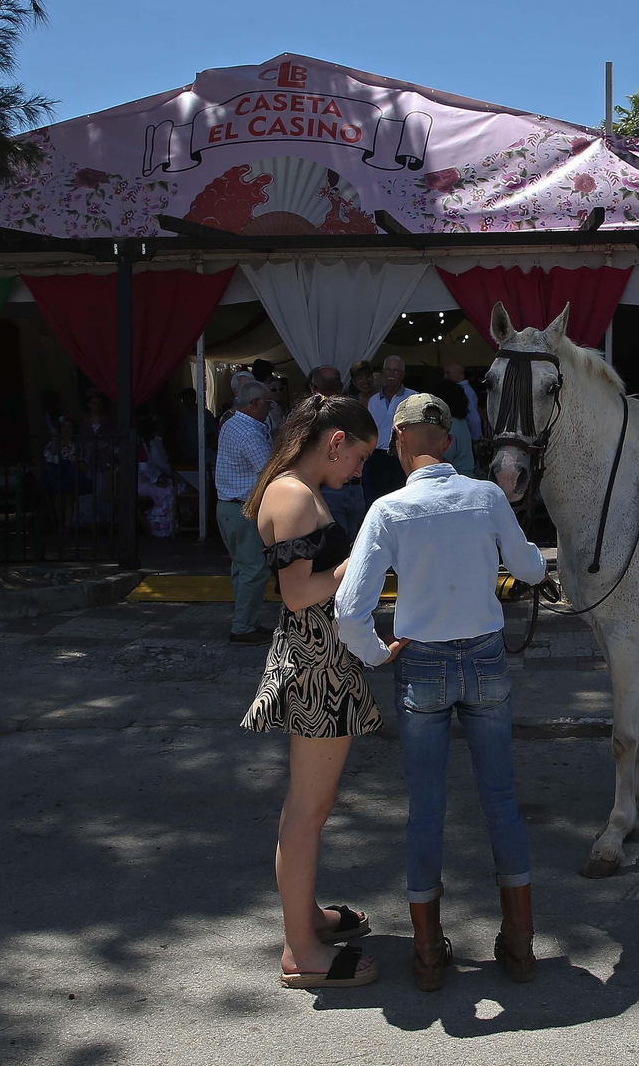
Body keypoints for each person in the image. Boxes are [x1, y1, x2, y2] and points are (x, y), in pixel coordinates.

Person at [336, 393, 547, 992]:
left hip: (421, 661)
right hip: (483, 654)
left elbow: (352, 609)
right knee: (500, 800)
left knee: (426, 808)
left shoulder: (387, 509)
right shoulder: (485, 496)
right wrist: (532, 563)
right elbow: (529, 570)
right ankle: (520, 945)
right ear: (448, 442)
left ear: (399, 439)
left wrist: (378, 654)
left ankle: (428, 954)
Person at [240, 394, 389, 991]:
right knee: (307, 813)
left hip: (318, 659)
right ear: (335, 441)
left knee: (308, 810)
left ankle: (307, 921)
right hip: (316, 664)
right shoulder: (295, 495)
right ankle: (301, 950)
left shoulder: (289, 487)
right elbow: (300, 593)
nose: (359, 469)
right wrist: (358, 562)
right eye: (359, 456)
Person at [215, 380, 276, 645]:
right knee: (255, 569)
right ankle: (243, 627)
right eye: (268, 403)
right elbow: (268, 472)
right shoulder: (250, 432)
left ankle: (246, 622)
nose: (270, 408)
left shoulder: (231, 424)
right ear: (255, 403)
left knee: (242, 568)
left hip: (229, 507)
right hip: (243, 508)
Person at [308, 367, 367, 540]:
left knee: (337, 550)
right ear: (341, 386)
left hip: (329, 489)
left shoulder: (309, 416)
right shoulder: (356, 412)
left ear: (313, 387)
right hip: (355, 486)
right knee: (355, 547)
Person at [364, 355, 415, 504]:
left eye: (396, 371)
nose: (391, 374)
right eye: (388, 370)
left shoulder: (413, 397)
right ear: (383, 372)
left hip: (402, 455)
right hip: (377, 457)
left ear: (402, 375)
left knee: (402, 498)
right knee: (379, 499)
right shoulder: (374, 400)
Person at [136, 416, 181, 539]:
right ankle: (161, 528)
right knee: (166, 490)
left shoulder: (144, 444)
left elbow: (151, 466)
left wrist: (159, 477)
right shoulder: (139, 445)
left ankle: (168, 527)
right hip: (138, 483)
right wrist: (156, 479)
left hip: (144, 481)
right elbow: (144, 467)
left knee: (169, 486)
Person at [431, 379, 476, 476]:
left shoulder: (449, 426)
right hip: (466, 477)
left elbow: (442, 462)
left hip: (455, 480)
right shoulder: (461, 422)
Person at [442, 361, 484, 441]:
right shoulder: (463, 390)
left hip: (465, 436)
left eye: (448, 373)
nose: (445, 376)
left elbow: (473, 419)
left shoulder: (464, 391)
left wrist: (476, 439)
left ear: (459, 373)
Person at [177, 387, 218, 467]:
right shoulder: (184, 415)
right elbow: (181, 433)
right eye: (183, 399)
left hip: (205, 452)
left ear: (193, 398)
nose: (185, 401)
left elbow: (214, 431)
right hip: (189, 451)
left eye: (187, 398)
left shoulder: (205, 414)